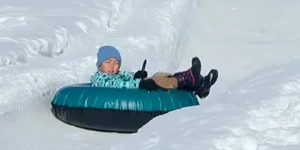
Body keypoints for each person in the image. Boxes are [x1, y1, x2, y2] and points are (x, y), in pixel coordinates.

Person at [90, 45, 218, 99]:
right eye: (108, 62)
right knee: (158, 80)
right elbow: (116, 84)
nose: (112, 66)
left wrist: (136, 75)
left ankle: (198, 82)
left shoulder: (116, 73)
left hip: (134, 90)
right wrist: (139, 84)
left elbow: (123, 76)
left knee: (159, 76)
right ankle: (191, 79)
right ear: (100, 65)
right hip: (128, 94)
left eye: (116, 63)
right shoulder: (99, 79)